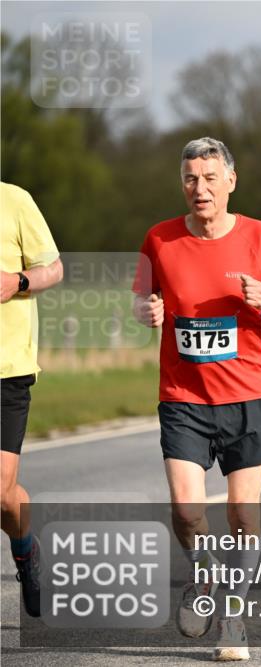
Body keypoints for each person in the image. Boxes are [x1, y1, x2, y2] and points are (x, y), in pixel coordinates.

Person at [133, 138, 261, 661]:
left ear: (231, 181)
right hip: (183, 396)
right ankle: (205, 576)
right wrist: (147, 311)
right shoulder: (159, 240)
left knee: (241, 513)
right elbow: (144, 296)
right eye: (191, 178)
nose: (200, 188)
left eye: (210, 178)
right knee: (187, 511)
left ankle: (233, 614)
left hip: (247, 396)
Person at [0, 183, 63, 619]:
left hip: (7, 368)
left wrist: (17, 281)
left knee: (3, 495)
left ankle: (25, 551)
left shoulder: (15, 200)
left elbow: (53, 269)